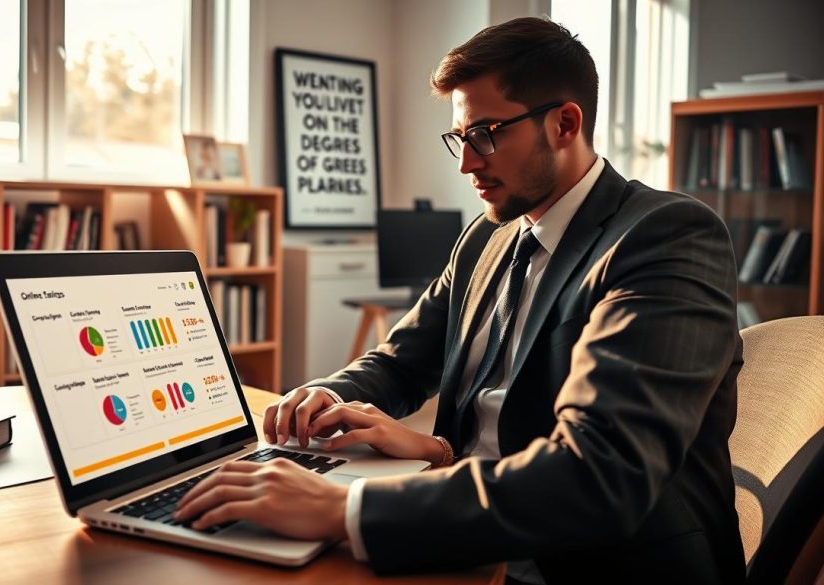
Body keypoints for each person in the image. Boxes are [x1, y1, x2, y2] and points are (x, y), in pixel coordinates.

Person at [176, 17, 745, 584]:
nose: (466, 162)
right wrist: (326, 396)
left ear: (565, 124)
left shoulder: (666, 236)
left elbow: (603, 471)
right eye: (460, 138)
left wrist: (341, 510)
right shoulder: (486, 238)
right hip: (462, 532)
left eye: (486, 134)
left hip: (590, 565)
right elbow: (400, 362)